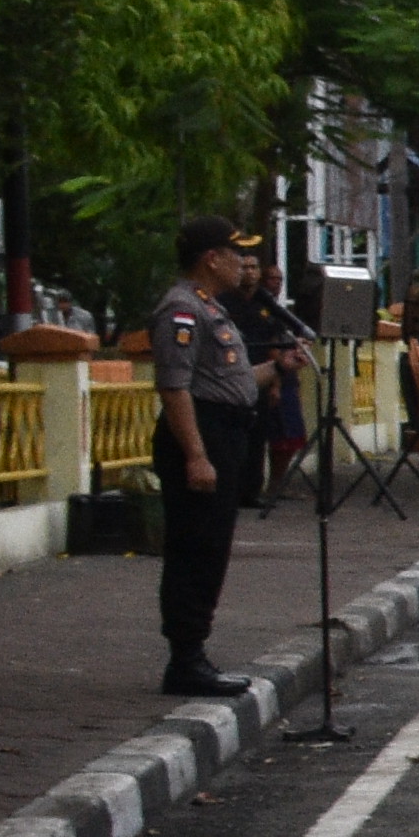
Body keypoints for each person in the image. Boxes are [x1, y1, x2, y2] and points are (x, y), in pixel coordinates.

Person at [149, 215, 262, 694]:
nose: (245, 265)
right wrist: (196, 454)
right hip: (202, 435)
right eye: (237, 255)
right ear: (211, 258)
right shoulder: (181, 309)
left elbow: (226, 381)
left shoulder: (209, 306)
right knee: (195, 548)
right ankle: (185, 658)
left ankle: (195, 652)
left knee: (212, 547)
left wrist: (276, 367)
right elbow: (175, 388)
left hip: (225, 432)